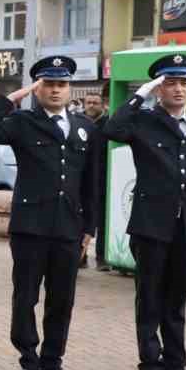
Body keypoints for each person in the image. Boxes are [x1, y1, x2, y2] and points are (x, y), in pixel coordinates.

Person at [0, 56, 100, 370]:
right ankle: (29, 362)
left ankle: (53, 364)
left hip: (69, 228)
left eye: (61, 84)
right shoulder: (23, 122)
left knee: (62, 300)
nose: (55, 90)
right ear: (38, 88)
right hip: (30, 226)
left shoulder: (85, 127)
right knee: (26, 296)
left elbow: (92, 182)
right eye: (48, 84)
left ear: (70, 88)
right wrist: (14, 97)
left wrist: (90, 228)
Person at [100, 54, 186, 370]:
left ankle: (176, 368)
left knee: (176, 302)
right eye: (170, 83)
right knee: (150, 298)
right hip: (151, 225)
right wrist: (141, 94)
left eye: (184, 83)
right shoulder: (143, 121)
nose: (179, 89)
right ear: (159, 88)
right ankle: (151, 367)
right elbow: (111, 130)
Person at [81, 91, 112, 272]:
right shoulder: (78, 122)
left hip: (103, 179)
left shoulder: (108, 124)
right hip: (82, 179)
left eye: (95, 103)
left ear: (103, 105)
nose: (91, 105)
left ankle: (101, 258)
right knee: (80, 219)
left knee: (103, 220)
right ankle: (81, 257)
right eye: (89, 102)